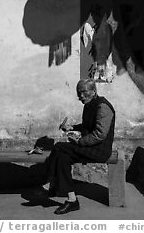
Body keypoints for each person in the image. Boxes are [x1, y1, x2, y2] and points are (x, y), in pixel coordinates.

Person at [42, 78, 115, 215]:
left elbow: (99, 134)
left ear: (93, 91)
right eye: (78, 93)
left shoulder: (103, 107)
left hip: (100, 149)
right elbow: (88, 126)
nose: (81, 96)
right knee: (63, 157)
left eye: (83, 92)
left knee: (59, 147)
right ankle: (71, 199)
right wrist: (72, 127)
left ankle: (50, 182)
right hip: (91, 146)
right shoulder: (89, 105)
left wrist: (79, 141)